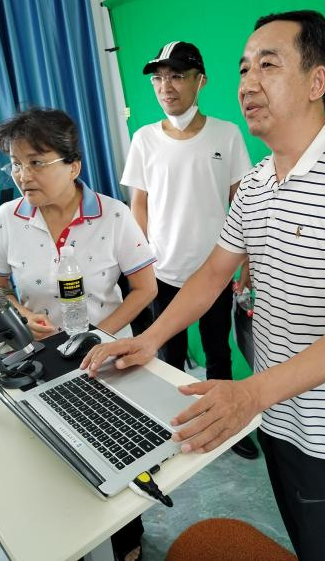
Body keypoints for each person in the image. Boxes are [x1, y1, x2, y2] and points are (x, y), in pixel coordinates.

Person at [82, 11, 325, 561]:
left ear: (316, 81)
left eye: (267, 65)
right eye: (243, 69)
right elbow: (213, 274)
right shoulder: (258, 183)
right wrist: (149, 338)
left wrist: (249, 393)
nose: (247, 83)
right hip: (272, 407)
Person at [0, 107, 155, 561]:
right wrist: (22, 314)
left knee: (119, 448)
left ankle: (128, 534)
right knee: (60, 455)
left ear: (73, 165)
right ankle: (78, 537)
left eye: (36, 162)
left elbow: (145, 289)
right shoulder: (7, 218)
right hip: (40, 355)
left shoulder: (113, 215)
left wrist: (97, 334)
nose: (23, 175)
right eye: (15, 164)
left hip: (107, 356)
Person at [120, 40, 258, 460]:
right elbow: (139, 206)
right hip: (163, 272)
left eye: (178, 76)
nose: (166, 87)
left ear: (201, 82)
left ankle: (226, 429)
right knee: (167, 358)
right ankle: (172, 425)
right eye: (159, 79)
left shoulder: (226, 134)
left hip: (214, 273)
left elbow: (242, 203)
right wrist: (139, 265)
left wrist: (247, 263)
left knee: (219, 354)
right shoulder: (144, 139)